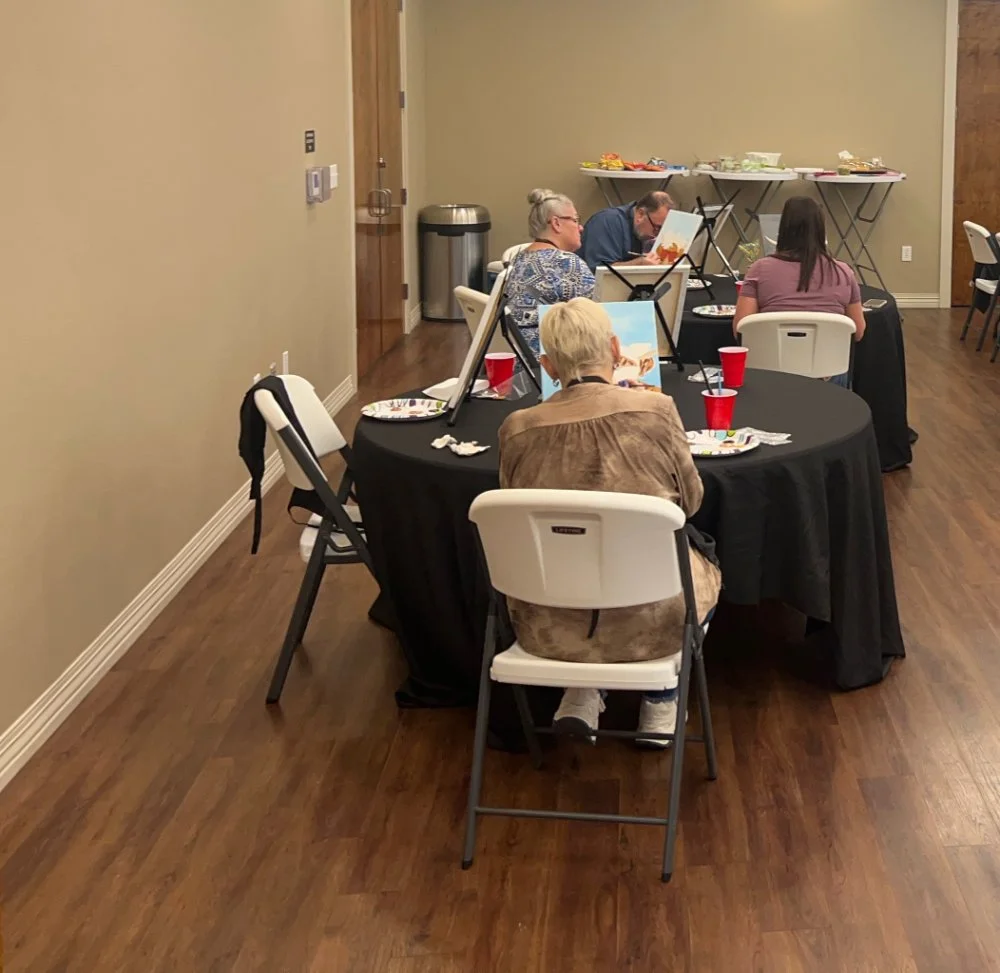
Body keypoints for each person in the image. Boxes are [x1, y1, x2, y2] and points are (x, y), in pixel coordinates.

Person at [498, 298, 721, 746]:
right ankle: (662, 698)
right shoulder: (656, 412)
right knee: (700, 556)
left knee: (573, 562)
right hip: (653, 620)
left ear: (545, 364)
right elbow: (691, 503)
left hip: (548, 625)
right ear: (616, 347)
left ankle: (581, 688)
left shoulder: (517, 429)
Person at [733, 196, 866, 387]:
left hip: (769, 374)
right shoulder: (843, 272)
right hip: (829, 377)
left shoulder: (759, 269)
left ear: (783, 229)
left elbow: (740, 329)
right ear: (821, 230)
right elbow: (858, 332)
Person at [504, 189, 596, 357]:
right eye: (575, 220)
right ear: (556, 223)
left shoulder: (518, 258)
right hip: (551, 361)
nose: (581, 227)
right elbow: (594, 321)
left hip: (514, 357)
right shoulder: (569, 263)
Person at [578, 190, 674, 271]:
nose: (656, 235)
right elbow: (600, 271)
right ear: (641, 214)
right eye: (656, 228)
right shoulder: (607, 221)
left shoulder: (643, 227)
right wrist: (639, 264)